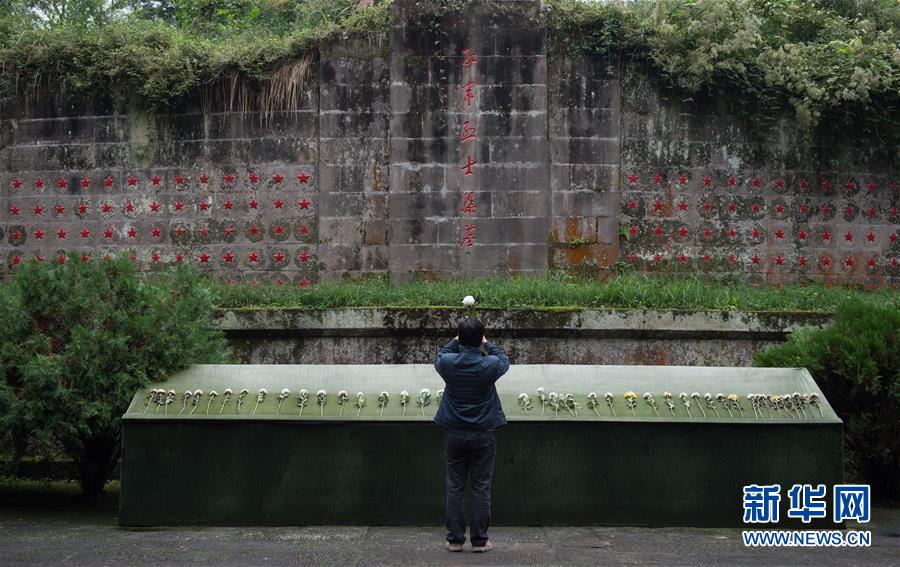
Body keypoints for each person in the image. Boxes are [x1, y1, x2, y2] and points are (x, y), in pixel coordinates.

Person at [433, 316, 510, 553]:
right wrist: (486, 343)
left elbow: (440, 355)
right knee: (481, 487)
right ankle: (480, 540)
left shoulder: (448, 363)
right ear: (479, 339)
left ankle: (455, 540)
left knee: (455, 487)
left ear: (460, 338)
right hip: (484, 433)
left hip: (455, 432)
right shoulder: (490, 365)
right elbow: (504, 359)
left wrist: (455, 341)